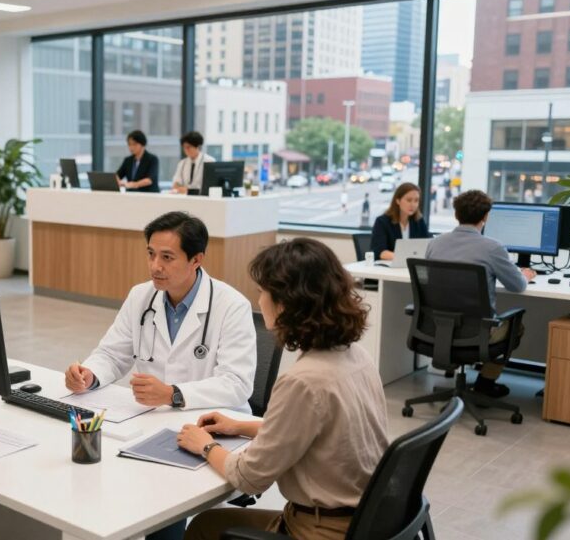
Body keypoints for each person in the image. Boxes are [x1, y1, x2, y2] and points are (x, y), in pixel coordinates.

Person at [178, 238, 388, 540]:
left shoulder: (302, 381)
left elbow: (248, 477)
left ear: (285, 303)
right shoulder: (356, 356)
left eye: (263, 292)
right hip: (366, 519)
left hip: (319, 530)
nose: (259, 300)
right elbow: (319, 433)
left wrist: (205, 445)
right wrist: (240, 426)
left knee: (203, 527)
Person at [64, 211, 256, 540]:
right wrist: (89, 374)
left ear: (197, 259)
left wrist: (173, 394)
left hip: (211, 429)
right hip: (148, 424)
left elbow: (237, 384)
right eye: (151, 254)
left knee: (161, 502)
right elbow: (112, 353)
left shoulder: (230, 306)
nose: (155, 266)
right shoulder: (142, 297)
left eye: (167, 257)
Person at [426, 190, 535, 398]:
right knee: (516, 326)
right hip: (478, 334)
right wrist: (526, 275)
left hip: (439, 329)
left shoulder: (435, 243)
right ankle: (485, 383)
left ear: (456, 215)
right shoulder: (492, 248)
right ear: (485, 217)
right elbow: (517, 285)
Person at [370, 182, 430, 261]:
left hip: (411, 267)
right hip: (389, 269)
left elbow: (426, 248)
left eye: (416, 201)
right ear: (398, 200)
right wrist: (406, 258)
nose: (413, 205)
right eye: (409, 200)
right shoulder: (382, 222)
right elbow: (380, 252)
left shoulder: (419, 222)